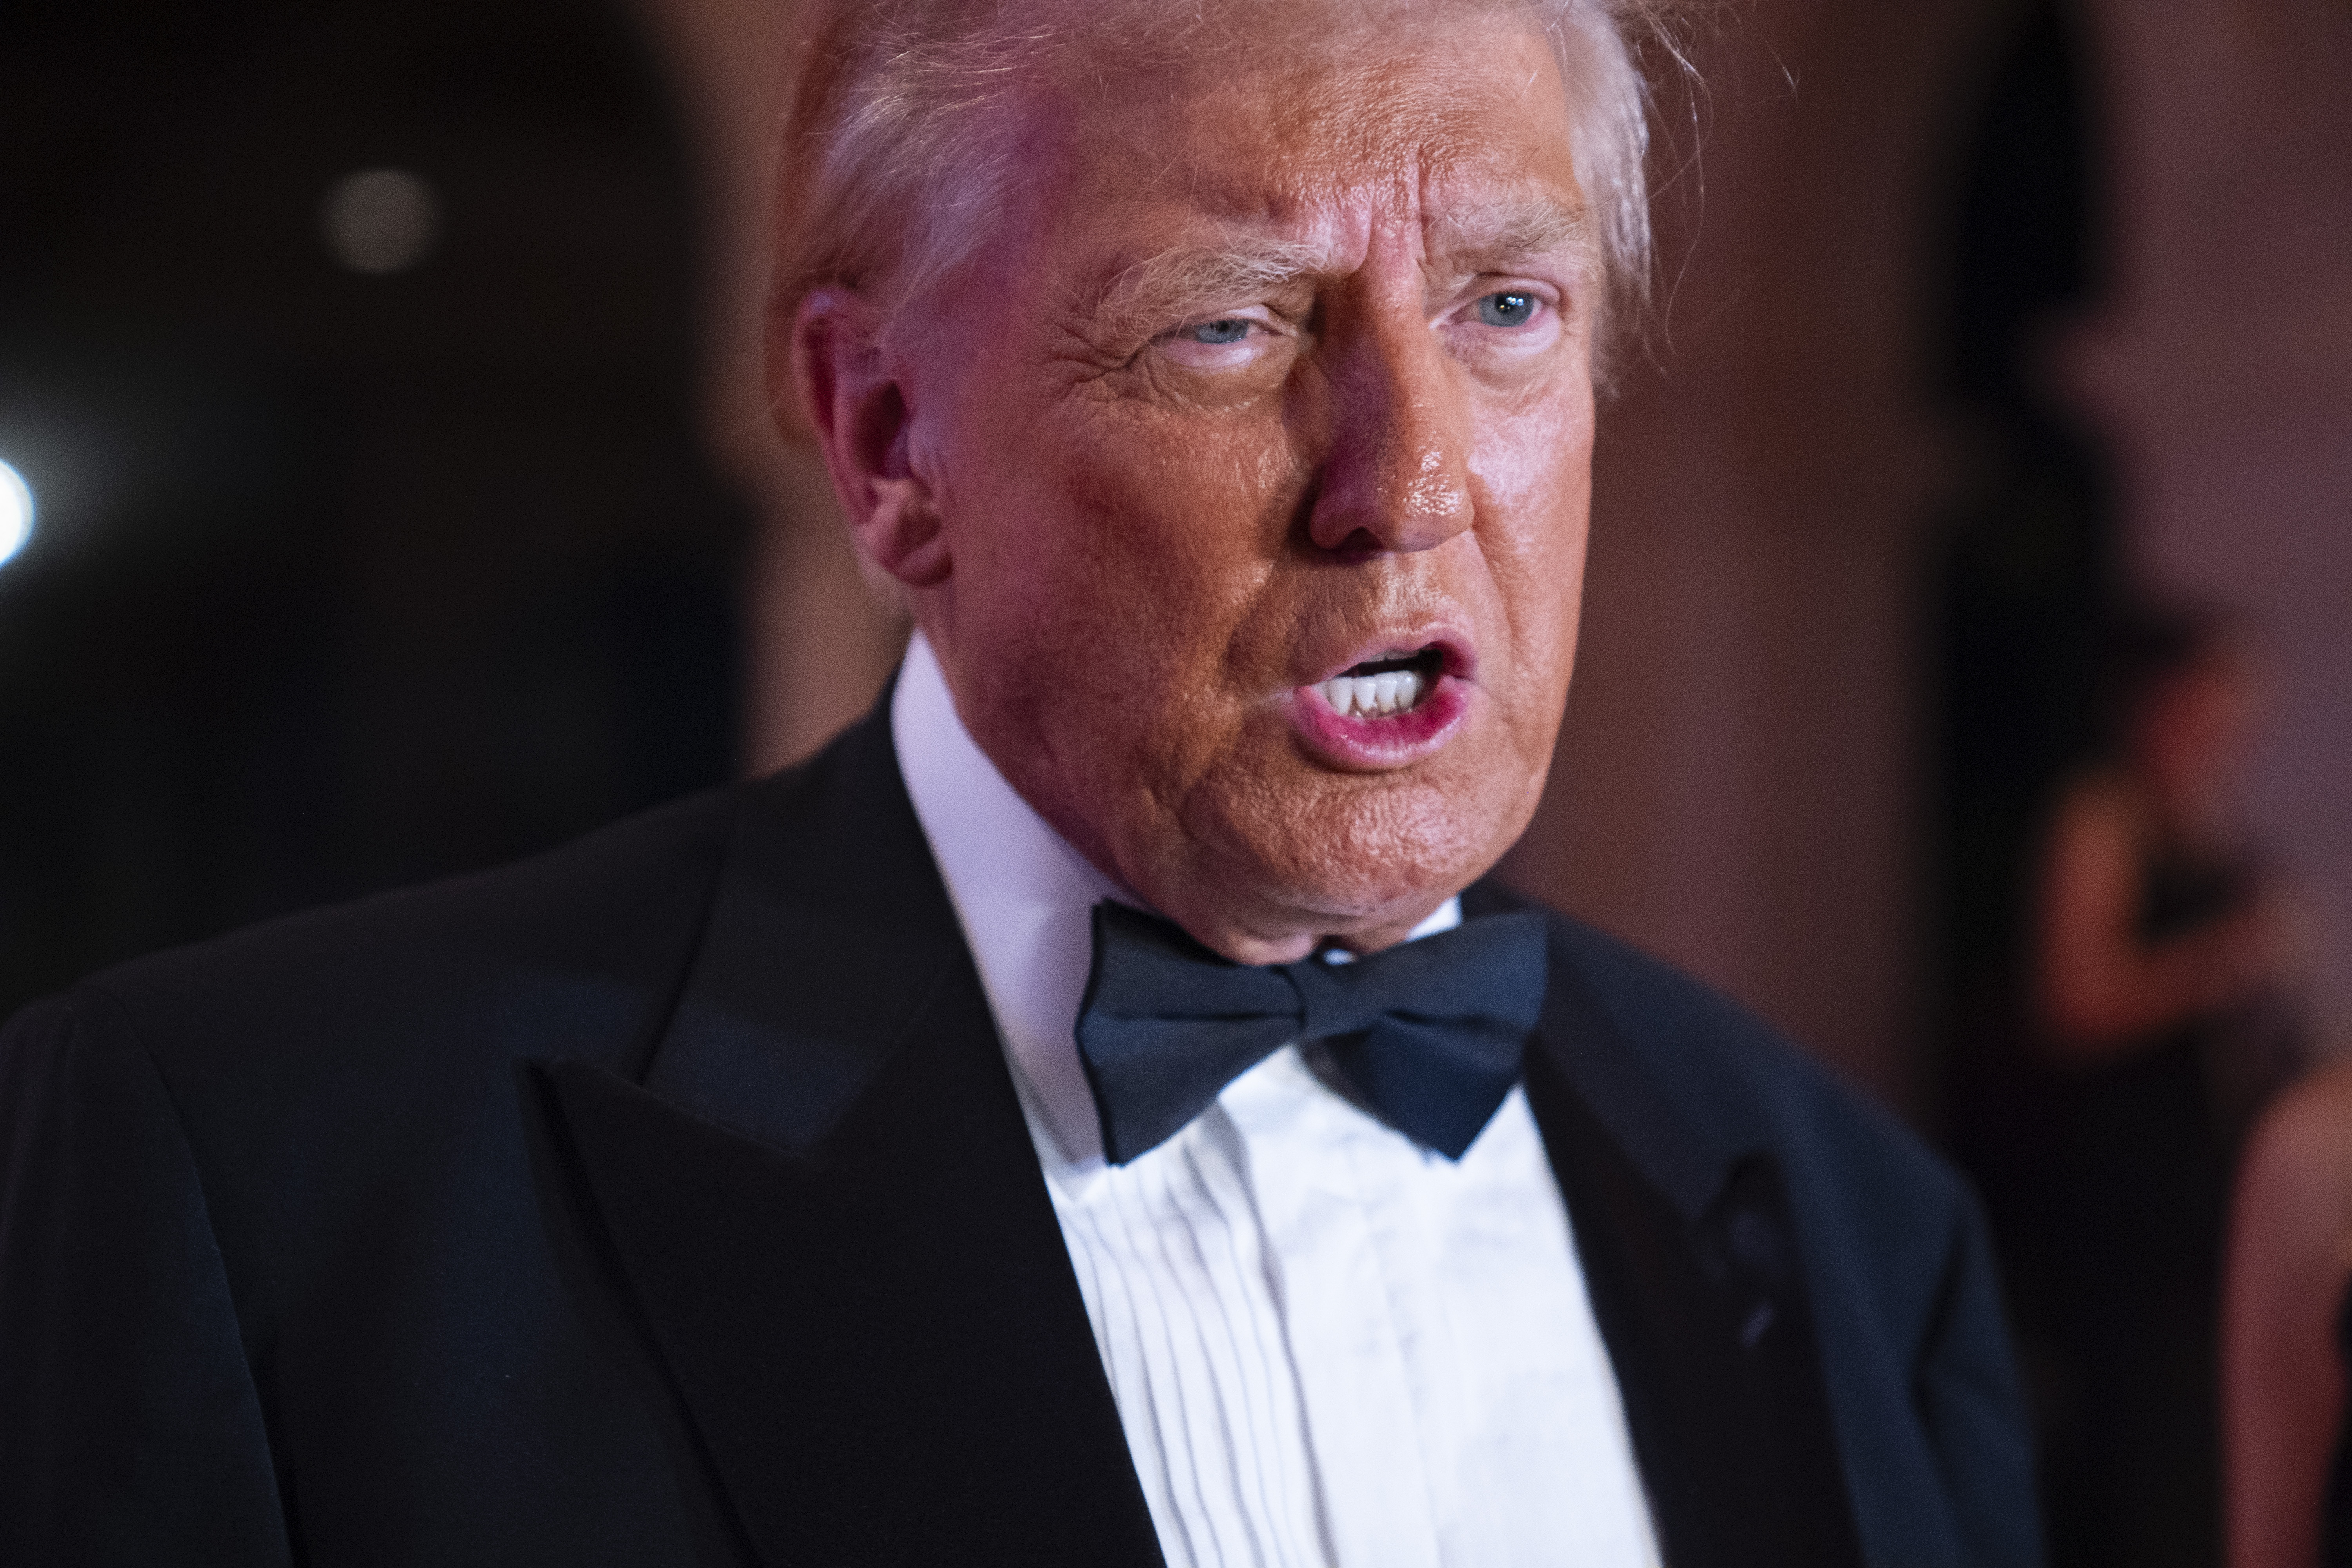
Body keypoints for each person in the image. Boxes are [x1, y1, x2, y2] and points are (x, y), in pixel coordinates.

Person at [0, 1, 2039, 1563]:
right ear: (887, 441)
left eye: (1506, 307)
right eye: (1232, 330)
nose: (1409, 487)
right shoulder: (268, 1190)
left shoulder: (1855, 1232)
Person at [1971, 608, 2303, 1567]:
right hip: (2133, 1176)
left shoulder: (2205, 805)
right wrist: (2217, 965)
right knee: (2144, 1432)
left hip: (2209, 1171)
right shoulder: (2102, 812)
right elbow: (2070, 997)